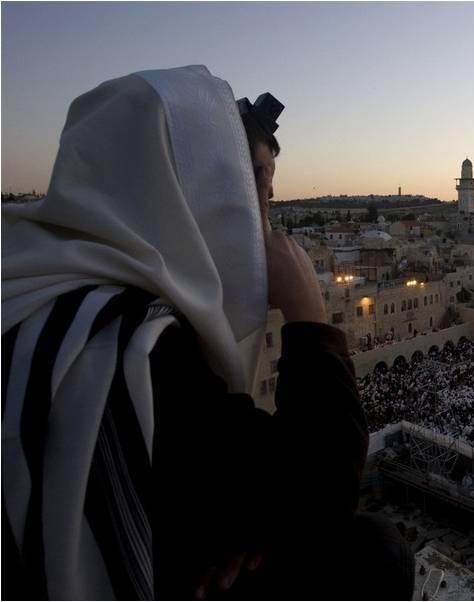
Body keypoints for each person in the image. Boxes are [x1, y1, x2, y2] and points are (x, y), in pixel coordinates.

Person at [2, 65, 413, 600]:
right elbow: (321, 494)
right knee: (375, 554)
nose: (262, 209)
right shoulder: (130, 346)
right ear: (190, 187)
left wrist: (237, 514)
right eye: (252, 182)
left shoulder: (35, 287)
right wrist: (309, 311)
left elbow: (240, 490)